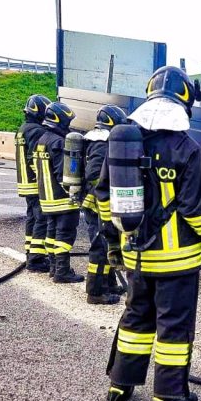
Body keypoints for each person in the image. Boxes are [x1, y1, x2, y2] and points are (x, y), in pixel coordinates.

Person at [95, 65, 201, 401]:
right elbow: (196, 212)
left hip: (136, 255)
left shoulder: (124, 142)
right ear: (184, 100)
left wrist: (115, 241)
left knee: (137, 317)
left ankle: (119, 387)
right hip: (177, 262)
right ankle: (169, 398)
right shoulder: (187, 149)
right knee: (173, 327)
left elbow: (104, 200)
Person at [81, 104, 128, 305]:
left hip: (97, 202)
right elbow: (93, 174)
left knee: (107, 243)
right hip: (96, 203)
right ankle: (95, 292)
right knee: (100, 247)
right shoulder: (101, 142)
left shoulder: (96, 138)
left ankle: (108, 284)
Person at [34, 101, 85, 283]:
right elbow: (62, 172)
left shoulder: (42, 140)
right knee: (65, 234)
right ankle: (62, 271)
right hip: (62, 199)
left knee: (52, 232)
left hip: (46, 199)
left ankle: (54, 268)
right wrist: (75, 192)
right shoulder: (58, 142)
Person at [15, 95, 52, 272]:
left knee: (32, 217)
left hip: (25, 182)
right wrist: (45, 180)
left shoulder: (24, 128)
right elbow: (35, 158)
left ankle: (30, 251)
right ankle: (36, 260)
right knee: (41, 219)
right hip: (35, 182)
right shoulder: (36, 131)